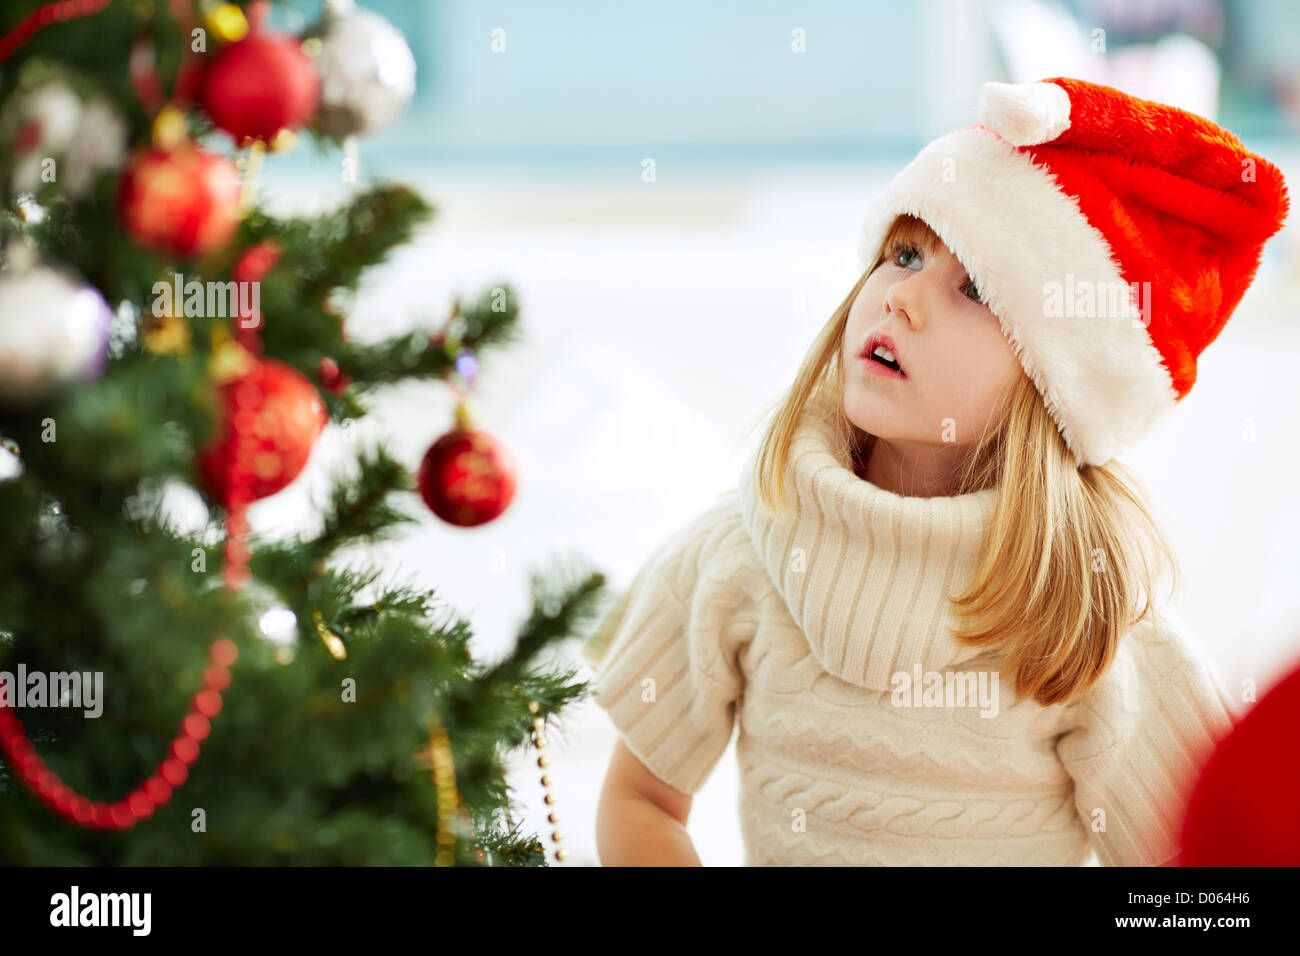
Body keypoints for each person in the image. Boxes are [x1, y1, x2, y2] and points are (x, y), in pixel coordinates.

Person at [583, 76, 1289, 866]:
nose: (904, 298)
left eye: (975, 289)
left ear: (1053, 390)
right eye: (905, 253)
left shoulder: (1085, 614)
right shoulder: (741, 552)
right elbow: (640, 802)